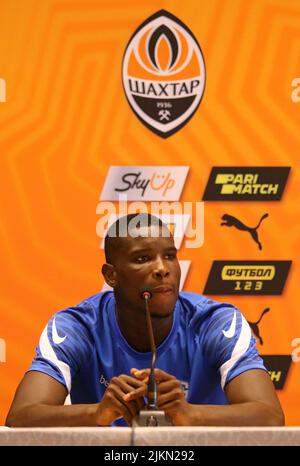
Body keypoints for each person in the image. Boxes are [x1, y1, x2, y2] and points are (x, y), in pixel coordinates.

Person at [6, 213, 284, 427]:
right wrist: (98, 412)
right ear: (111, 275)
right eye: (143, 258)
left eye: (170, 256)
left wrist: (189, 413)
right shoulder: (77, 327)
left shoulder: (215, 321)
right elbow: (20, 416)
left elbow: (270, 416)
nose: (163, 269)